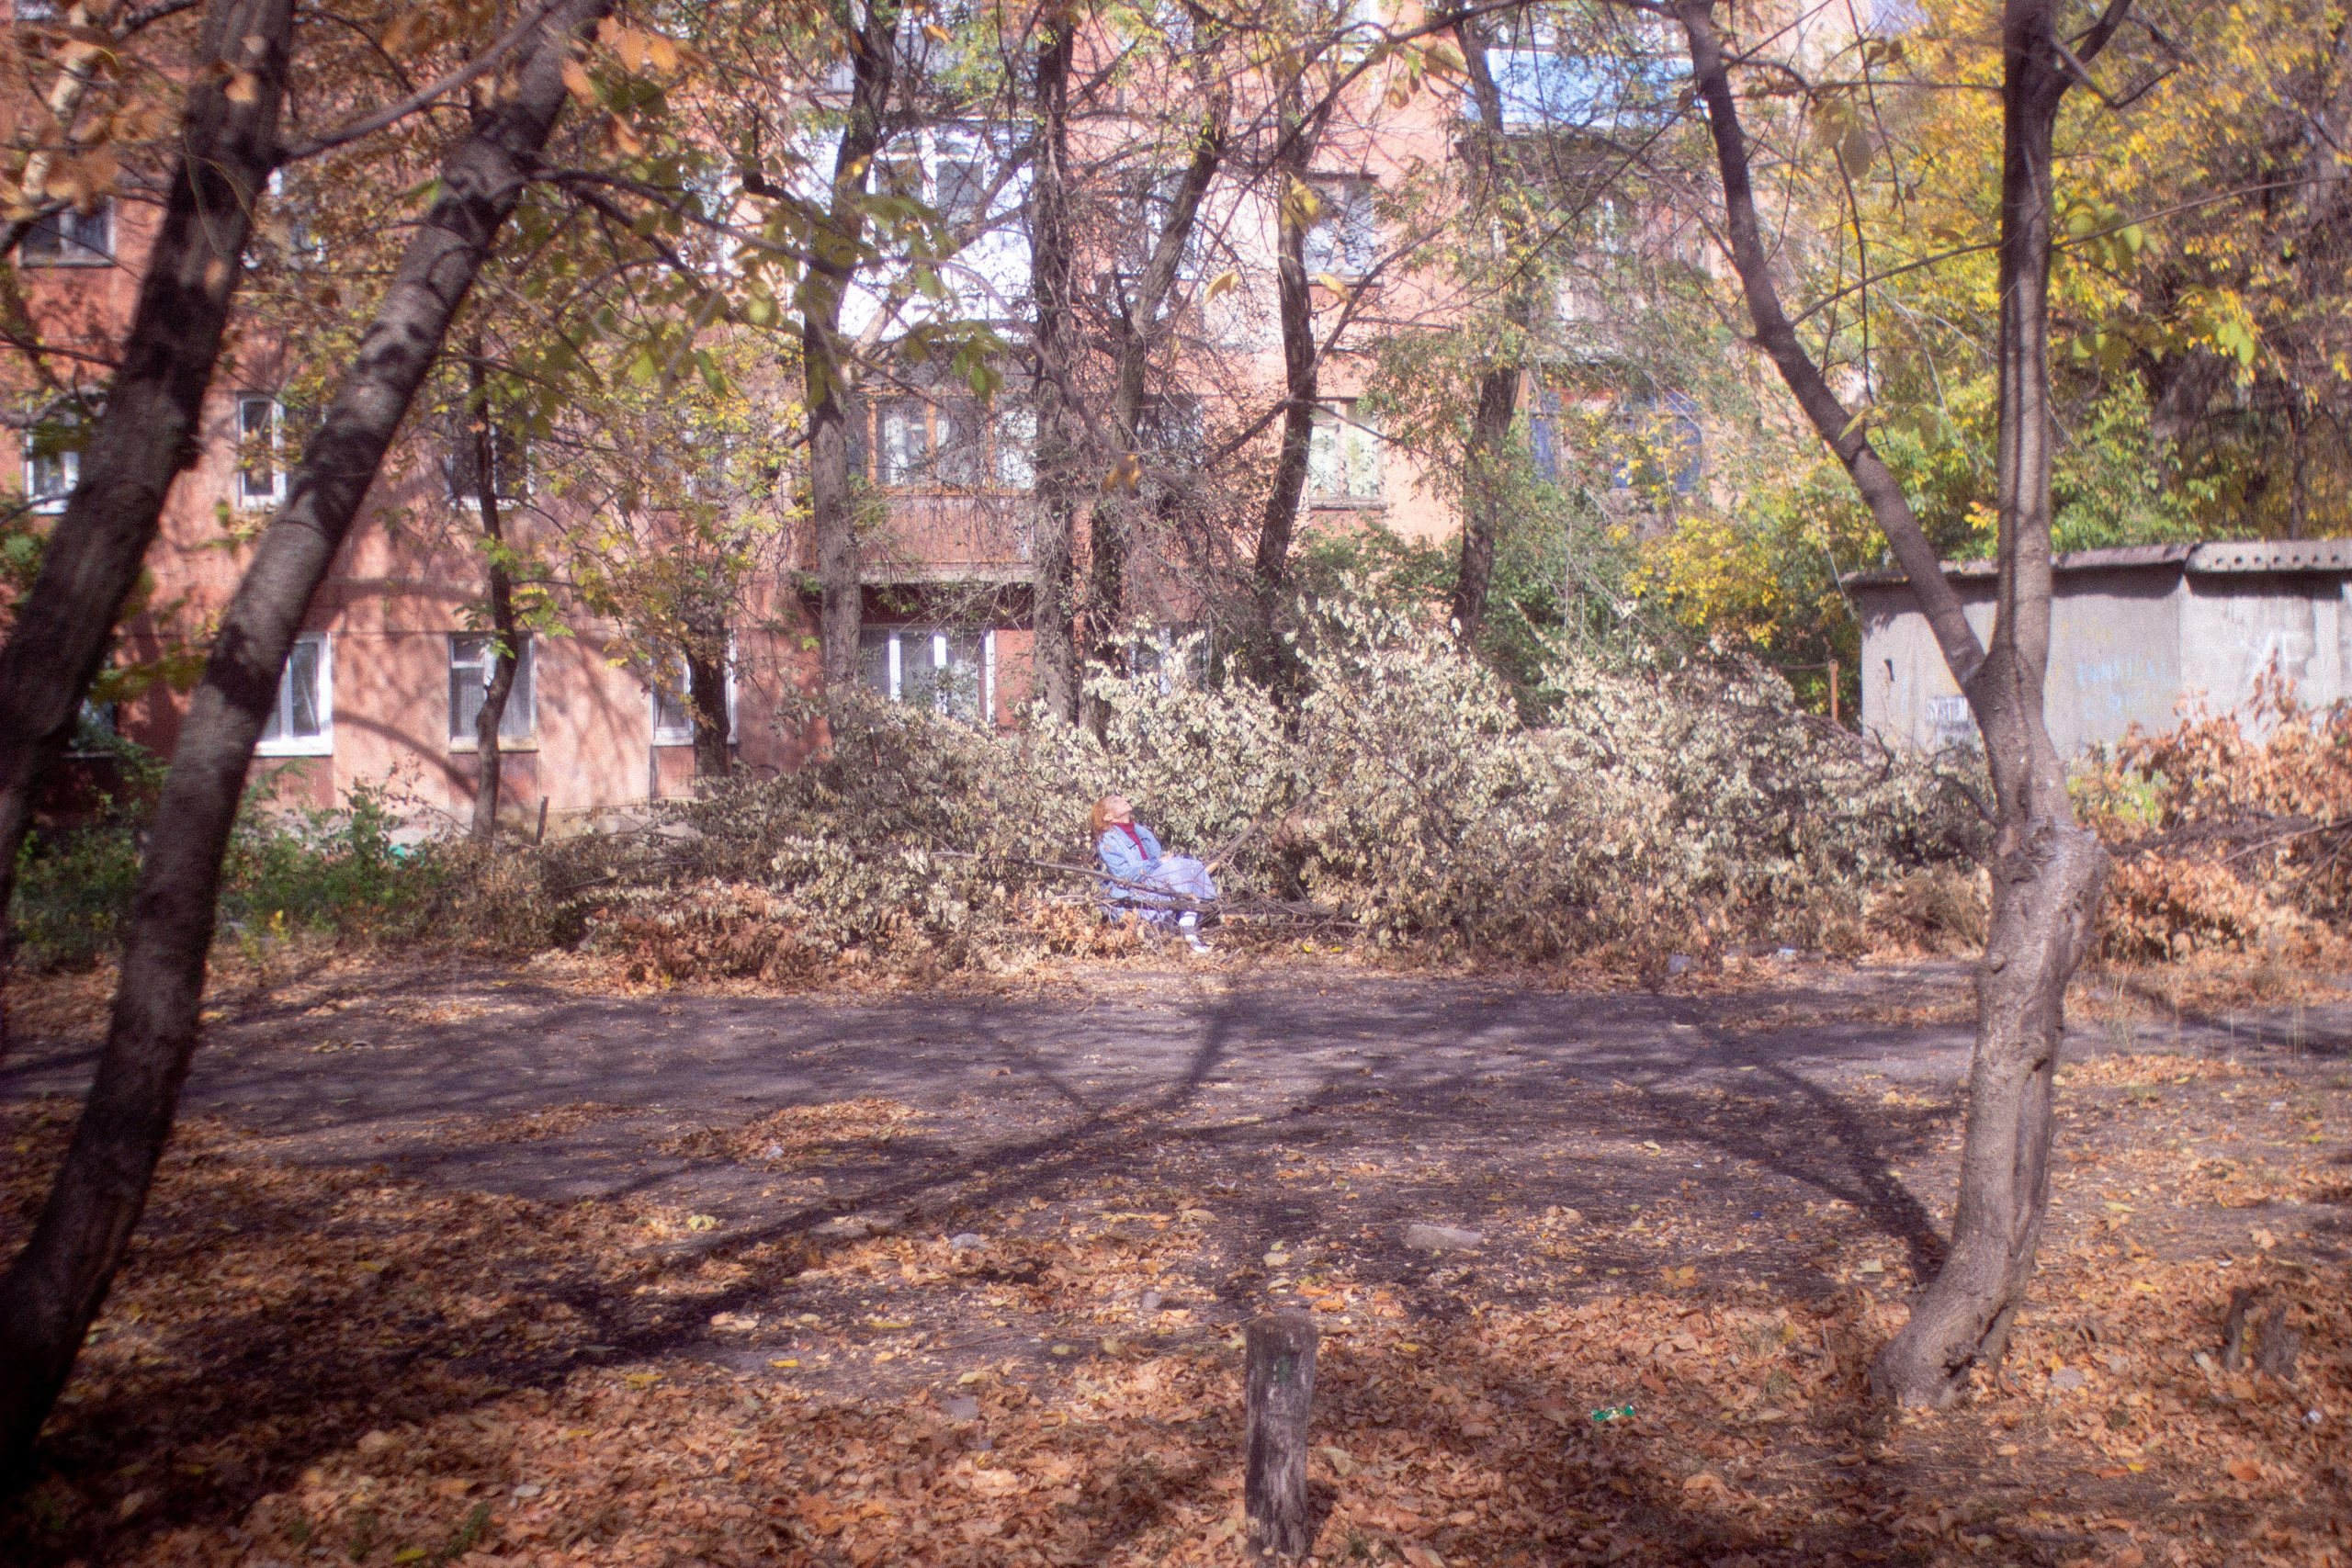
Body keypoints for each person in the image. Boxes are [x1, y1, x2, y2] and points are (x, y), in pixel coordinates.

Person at [1090, 794, 1217, 953]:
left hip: (1152, 883)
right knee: (1178, 865)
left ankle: (1187, 926)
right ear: (1108, 816)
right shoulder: (1108, 839)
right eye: (1115, 801)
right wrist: (1157, 863)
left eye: (1123, 797)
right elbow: (1123, 874)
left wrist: (1161, 863)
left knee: (1194, 866)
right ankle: (1187, 931)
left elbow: (1157, 855)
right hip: (1134, 893)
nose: (1124, 799)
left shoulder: (1139, 831)